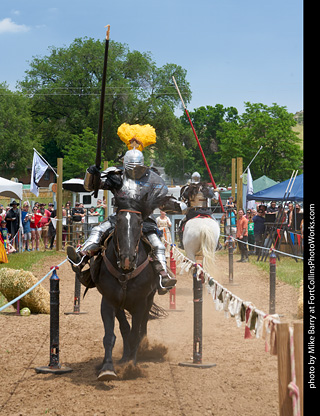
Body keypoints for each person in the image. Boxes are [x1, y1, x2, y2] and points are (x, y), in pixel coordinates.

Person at [67, 122, 187, 292]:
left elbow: (162, 201)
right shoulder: (117, 176)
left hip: (144, 220)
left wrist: (178, 205)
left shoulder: (153, 180)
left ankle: (162, 277)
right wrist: (91, 173)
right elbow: (92, 186)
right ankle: (82, 257)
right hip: (120, 218)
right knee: (98, 231)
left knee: (157, 245)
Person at [178, 171, 220, 248]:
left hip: (192, 213)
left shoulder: (187, 189)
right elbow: (215, 199)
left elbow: (182, 202)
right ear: (200, 179)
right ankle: (217, 243)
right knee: (216, 224)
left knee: (181, 224)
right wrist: (216, 192)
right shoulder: (206, 189)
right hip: (206, 212)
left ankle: (182, 243)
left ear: (192, 179)